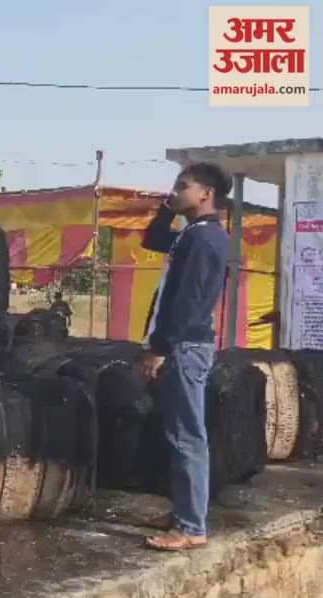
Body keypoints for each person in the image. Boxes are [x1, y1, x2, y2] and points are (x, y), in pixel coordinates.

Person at [134, 162, 232, 552]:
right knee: (179, 431)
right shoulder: (191, 234)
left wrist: (160, 349)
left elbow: (188, 303)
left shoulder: (205, 240)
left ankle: (191, 526)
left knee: (187, 436)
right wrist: (166, 209)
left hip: (185, 347)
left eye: (182, 186)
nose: (175, 191)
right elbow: (153, 239)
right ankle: (186, 514)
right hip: (182, 346)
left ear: (205, 194)